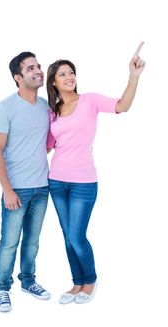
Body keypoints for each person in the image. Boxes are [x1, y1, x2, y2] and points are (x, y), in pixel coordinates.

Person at [46, 42, 145, 304]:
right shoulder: (52, 113)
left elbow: (122, 105)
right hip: (56, 181)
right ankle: (76, 283)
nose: (69, 77)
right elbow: (45, 147)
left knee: (77, 236)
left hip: (83, 182)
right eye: (63, 74)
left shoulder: (89, 101)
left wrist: (133, 76)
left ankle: (90, 280)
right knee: (67, 237)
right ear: (54, 83)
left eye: (71, 72)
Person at [0, 52, 51, 312]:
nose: (38, 70)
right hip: (16, 190)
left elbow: (45, 143)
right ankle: (2, 288)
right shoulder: (4, 108)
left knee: (33, 241)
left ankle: (28, 281)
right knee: (10, 241)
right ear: (18, 77)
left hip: (42, 187)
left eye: (38, 66)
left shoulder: (45, 106)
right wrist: (7, 190)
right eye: (30, 68)